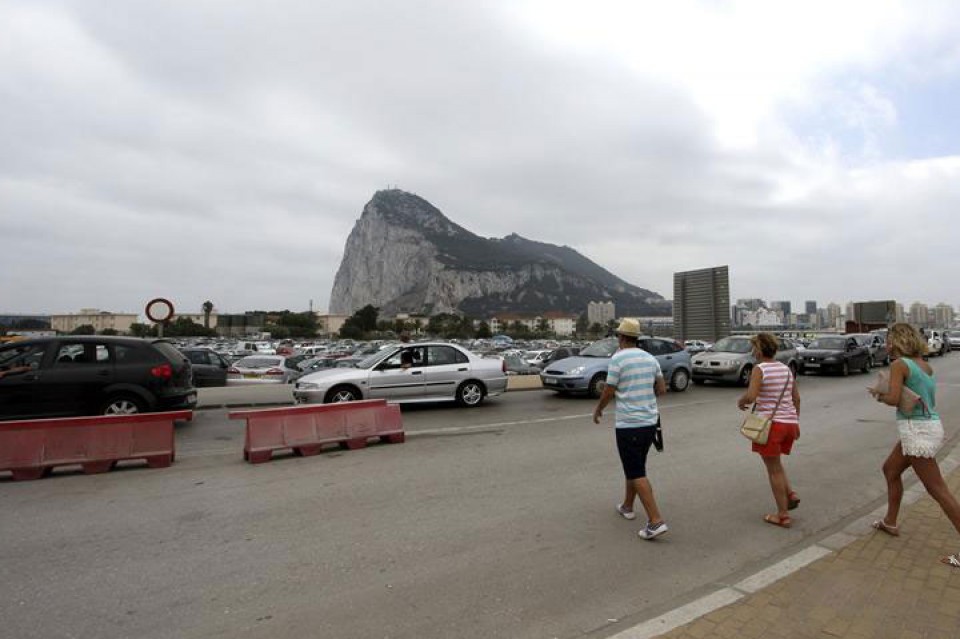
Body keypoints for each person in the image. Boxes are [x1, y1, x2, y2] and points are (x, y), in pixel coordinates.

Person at [867, 323, 960, 569]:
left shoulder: (899, 365)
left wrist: (879, 394)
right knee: (890, 469)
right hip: (927, 426)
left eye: (888, 340)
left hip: (916, 430)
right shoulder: (924, 365)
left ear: (898, 341)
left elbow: (895, 399)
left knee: (938, 489)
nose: (886, 345)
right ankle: (890, 521)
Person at [592, 318, 669, 540]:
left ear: (622, 337)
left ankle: (656, 520)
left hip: (629, 424)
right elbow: (662, 389)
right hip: (650, 422)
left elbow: (608, 390)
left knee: (636, 471)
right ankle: (627, 506)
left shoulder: (618, 359)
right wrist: (645, 398)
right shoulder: (650, 358)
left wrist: (598, 409)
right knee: (635, 465)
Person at [736, 333, 801, 528]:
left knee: (773, 470)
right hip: (789, 423)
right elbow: (796, 398)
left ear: (760, 349)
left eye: (754, 347)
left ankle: (782, 515)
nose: (753, 351)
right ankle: (790, 494)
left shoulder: (759, 369)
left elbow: (752, 395)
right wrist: (795, 421)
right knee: (776, 464)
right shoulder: (785, 369)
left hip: (772, 426)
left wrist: (742, 401)